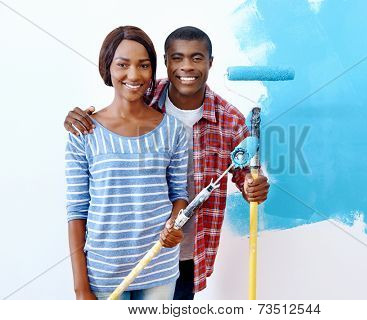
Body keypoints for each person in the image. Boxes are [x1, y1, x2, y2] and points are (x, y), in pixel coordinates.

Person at [64, 26, 270, 300]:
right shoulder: (144, 94)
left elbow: (245, 177)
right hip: (112, 263)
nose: (187, 66)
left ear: (210, 62)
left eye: (197, 58)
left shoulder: (230, 120)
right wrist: (76, 116)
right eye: (177, 57)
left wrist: (254, 187)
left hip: (184, 251)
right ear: (165, 61)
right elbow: (118, 107)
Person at [65, 26, 189, 300]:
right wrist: (80, 287)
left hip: (159, 267)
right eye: (123, 64)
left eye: (143, 65)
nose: (134, 75)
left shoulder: (174, 131)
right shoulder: (84, 132)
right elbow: (76, 211)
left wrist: (174, 224)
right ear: (107, 68)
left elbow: (179, 195)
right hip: (104, 273)